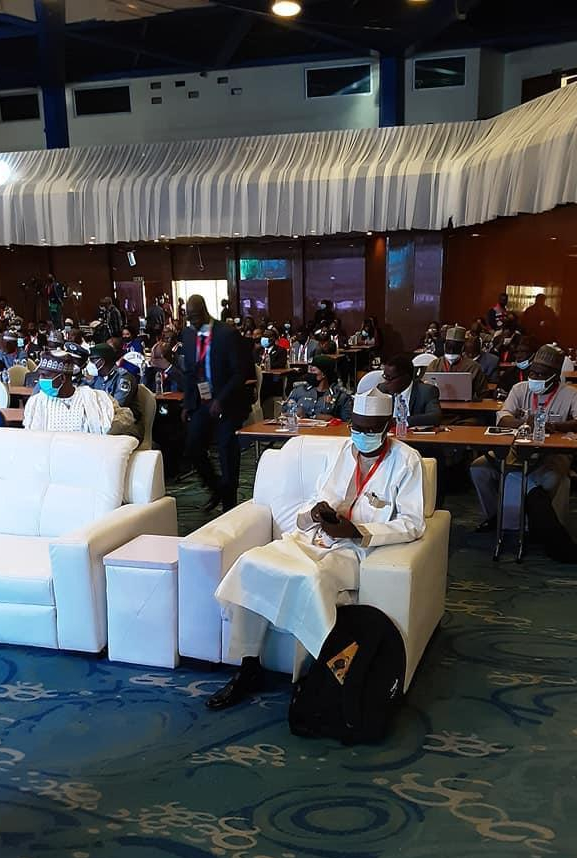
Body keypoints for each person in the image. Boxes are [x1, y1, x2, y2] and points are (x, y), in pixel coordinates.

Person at [206, 387, 425, 709]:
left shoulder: (407, 461)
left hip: (353, 550)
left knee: (310, 579)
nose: (361, 436)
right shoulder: (343, 451)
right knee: (252, 562)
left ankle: (315, 676)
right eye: (356, 427)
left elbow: (412, 523)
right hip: (311, 538)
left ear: (388, 426)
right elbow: (314, 501)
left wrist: (359, 532)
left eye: (370, 430)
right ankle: (248, 666)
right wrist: (315, 513)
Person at [470, 345, 577, 562]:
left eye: (541, 375)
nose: (534, 378)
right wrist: (523, 423)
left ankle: (538, 525)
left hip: (553, 454)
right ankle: (497, 516)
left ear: (555, 376)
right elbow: (503, 417)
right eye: (532, 373)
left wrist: (556, 426)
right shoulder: (520, 389)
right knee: (479, 468)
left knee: (549, 478)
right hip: (514, 450)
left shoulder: (571, 393)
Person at [181, 294, 250, 512]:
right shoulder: (188, 335)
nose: (192, 321)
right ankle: (218, 489)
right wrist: (186, 404)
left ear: (204, 311)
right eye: (188, 317)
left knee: (227, 453)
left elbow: (240, 373)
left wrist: (221, 399)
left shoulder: (227, 334)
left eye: (194, 316)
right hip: (201, 402)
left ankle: (230, 507)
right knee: (193, 448)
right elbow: (190, 372)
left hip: (227, 403)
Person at [24, 350, 135, 435]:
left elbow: (126, 417)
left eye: (45, 376)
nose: (40, 379)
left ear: (62, 378)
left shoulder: (95, 398)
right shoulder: (36, 402)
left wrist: (107, 430)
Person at [85, 343, 143, 442]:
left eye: (92, 360)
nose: (89, 364)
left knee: (97, 438)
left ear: (101, 362)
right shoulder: (97, 378)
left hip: (127, 425)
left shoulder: (124, 378)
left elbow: (118, 406)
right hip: (104, 422)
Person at [425, 326, 489, 400]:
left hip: (467, 406)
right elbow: (426, 389)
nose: (452, 351)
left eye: (456, 347)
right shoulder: (434, 365)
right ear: (444, 346)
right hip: (439, 404)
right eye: (449, 347)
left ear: (462, 348)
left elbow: (483, 393)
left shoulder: (474, 367)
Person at [378, 354, 442, 427]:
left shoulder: (426, 391)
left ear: (405, 377)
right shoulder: (382, 390)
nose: (386, 382)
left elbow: (435, 417)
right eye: (385, 377)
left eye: (390, 378)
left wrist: (401, 421)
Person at [287, 355, 353, 421]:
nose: (309, 373)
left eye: (313, 370)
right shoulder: (299, 390)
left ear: (323, 374)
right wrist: (294, 411)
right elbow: (284, 411)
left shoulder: (340, 396)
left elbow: (347, 422)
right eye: (308, 370)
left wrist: (332, 419)